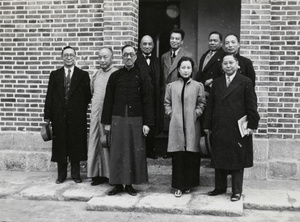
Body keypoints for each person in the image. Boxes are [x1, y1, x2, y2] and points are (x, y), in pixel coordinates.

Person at [203, 54, 260, 201]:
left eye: (231, 63)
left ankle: (236, 191)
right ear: (222, 67)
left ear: (238, 65)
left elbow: (252, 105)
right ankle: (220, 187)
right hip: (219, 126)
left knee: (237, 159)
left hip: (237, 127)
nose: (228, 66)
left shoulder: (245, 82)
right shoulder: (217, 82)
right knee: (219, 156)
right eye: (225, 63)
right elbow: (210, 106)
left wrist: (252, 125)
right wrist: (207, 125)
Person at [101, 45, 154, 196]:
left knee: (132, 152)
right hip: (117, 119)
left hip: (136, 119)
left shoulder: (142, 75)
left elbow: (148, 101)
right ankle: (117, 184)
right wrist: (107, 123)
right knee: (117, 151)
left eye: (131, 54)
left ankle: (129, 184)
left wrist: (147, 123)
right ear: (122, 57)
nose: (129, 57)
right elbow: (108, 100)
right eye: (125, 55)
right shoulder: (115, 76)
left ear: (136, 56)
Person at [44, 46, 92, 184]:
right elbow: (49, 96)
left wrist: (78, 108)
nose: (69, 57)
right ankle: (61, 175)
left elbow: (87, 96)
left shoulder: (83, 75)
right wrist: (47, 116)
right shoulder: (55, 74)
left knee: (76, 144)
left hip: (77, 117)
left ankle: (76, 175)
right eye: (66, 55)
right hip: (58, 116)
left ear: (75, 57)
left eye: (71, 55)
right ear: (62, 57)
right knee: (60, 145)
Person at [164, 57, 206, 197]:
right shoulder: (171, 86)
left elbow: (202, 103)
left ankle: (189, 185)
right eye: (183, 67)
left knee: (190, 155)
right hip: (176, 126)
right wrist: (171, 113)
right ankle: (178, 186)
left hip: (192, 125)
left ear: (192, 69)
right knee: (178, 156)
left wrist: (195, 114)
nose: (186, 70)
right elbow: (167, 103)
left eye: (188, 68)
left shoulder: (197, 86)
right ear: (178, 69)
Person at [87, 47, 118, 186]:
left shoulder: (116, 74)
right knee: (95, 142)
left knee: (108, 142)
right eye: (100, 57)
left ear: (112, 58)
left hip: (109, 115)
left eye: (105, 57)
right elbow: (92, 92)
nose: (102, 60)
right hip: (96, 114)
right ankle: (96, 174)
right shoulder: (96, 75)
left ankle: (110, 174)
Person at [135, 35, 162, 159]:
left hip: (155, 97)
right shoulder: (136, 60)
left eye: (149, 44)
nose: (147, 46)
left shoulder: (157, 60)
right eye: (144, 44)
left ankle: (151, 150)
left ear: (153, 45)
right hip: (141, 97)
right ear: (140, 45)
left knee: (153, 122)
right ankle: (142, 151)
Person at [195, 31, 225, 98]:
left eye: (215, 41)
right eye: (210, 40)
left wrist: (212, 80)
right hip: (202, 92)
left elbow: (225, 75)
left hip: (215, 93)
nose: (212, 43)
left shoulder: (224, 57)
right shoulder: (204, 56)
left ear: (221, 43)